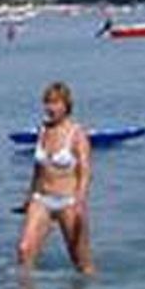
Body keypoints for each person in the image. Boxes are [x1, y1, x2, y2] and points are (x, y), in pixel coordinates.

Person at [16, 80, 95, 275]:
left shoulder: (77, 134)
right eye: (47, 102)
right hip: (41, 199)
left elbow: (85, 171)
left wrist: (80, 201)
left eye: (55, 103)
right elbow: (38, 169)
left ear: (66, 105)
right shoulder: (43, 130)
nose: (50, 108)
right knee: (24, 250)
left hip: (67, 201)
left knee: (81, 262)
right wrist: (28, 197)